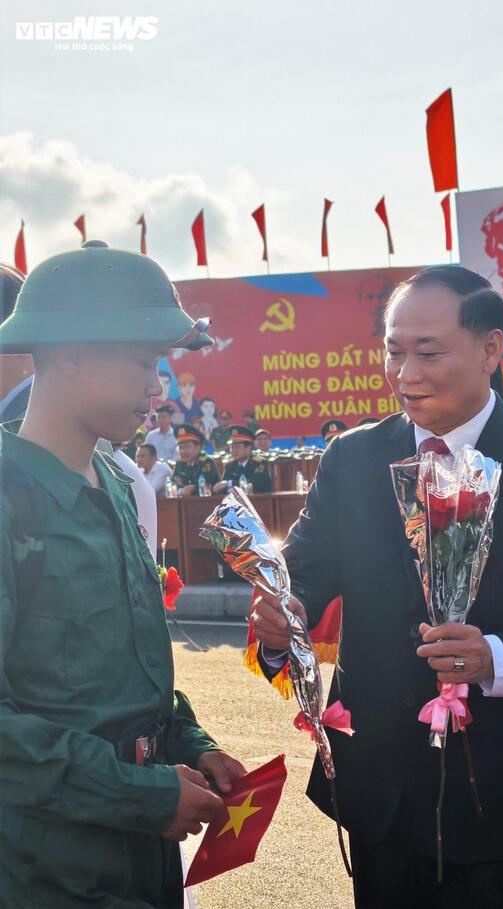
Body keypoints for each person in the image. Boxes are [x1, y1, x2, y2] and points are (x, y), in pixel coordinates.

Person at [253, 265, 503, 909]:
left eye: (428, 352)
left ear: (490, 348)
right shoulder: (353, 458)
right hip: (380, 794)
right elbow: (303, 575)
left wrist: (499, 658)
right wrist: (281, 620)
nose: (405, 373)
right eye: (394, 351)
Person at [0, 240, 246, 907]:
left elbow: (126, 666)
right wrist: (139, 790)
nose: (157, 388)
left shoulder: (113, 483)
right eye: (143, 362)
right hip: (45, 870)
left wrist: (189, 742)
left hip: (142, 856)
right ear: (71, 352)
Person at [213, 425, 272, 494]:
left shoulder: (260, 463)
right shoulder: (230, 465)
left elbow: (255, 485)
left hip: (259, 502)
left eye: (238, 447)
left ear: (248, 448)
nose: (234, 451)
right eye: (232, 447)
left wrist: (229, 483)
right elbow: (222, 488)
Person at [170, 424, 220, 495]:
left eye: (187, 447)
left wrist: (191, 489)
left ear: (198, 447)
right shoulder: (180, 464)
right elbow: (172, 484)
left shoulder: (207, 462)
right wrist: (181, 491)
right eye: (180, 447)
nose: (183, 451)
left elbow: (207, 485)